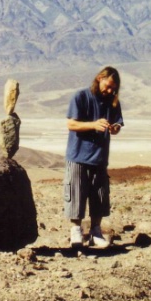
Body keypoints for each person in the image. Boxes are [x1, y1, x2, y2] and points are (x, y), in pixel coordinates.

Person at [64, 66, 123, 249]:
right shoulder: (81, 96)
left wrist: (114, 128)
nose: (110, 91)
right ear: (100, 78)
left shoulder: (113, 102)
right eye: (108, 86)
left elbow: (118, 124)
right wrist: (93, 125)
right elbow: (71, 124)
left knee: (99, 196)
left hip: (100, 158)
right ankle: (76, 231)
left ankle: (95, 232)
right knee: (76, 195)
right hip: (78, 155)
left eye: (114, 88)